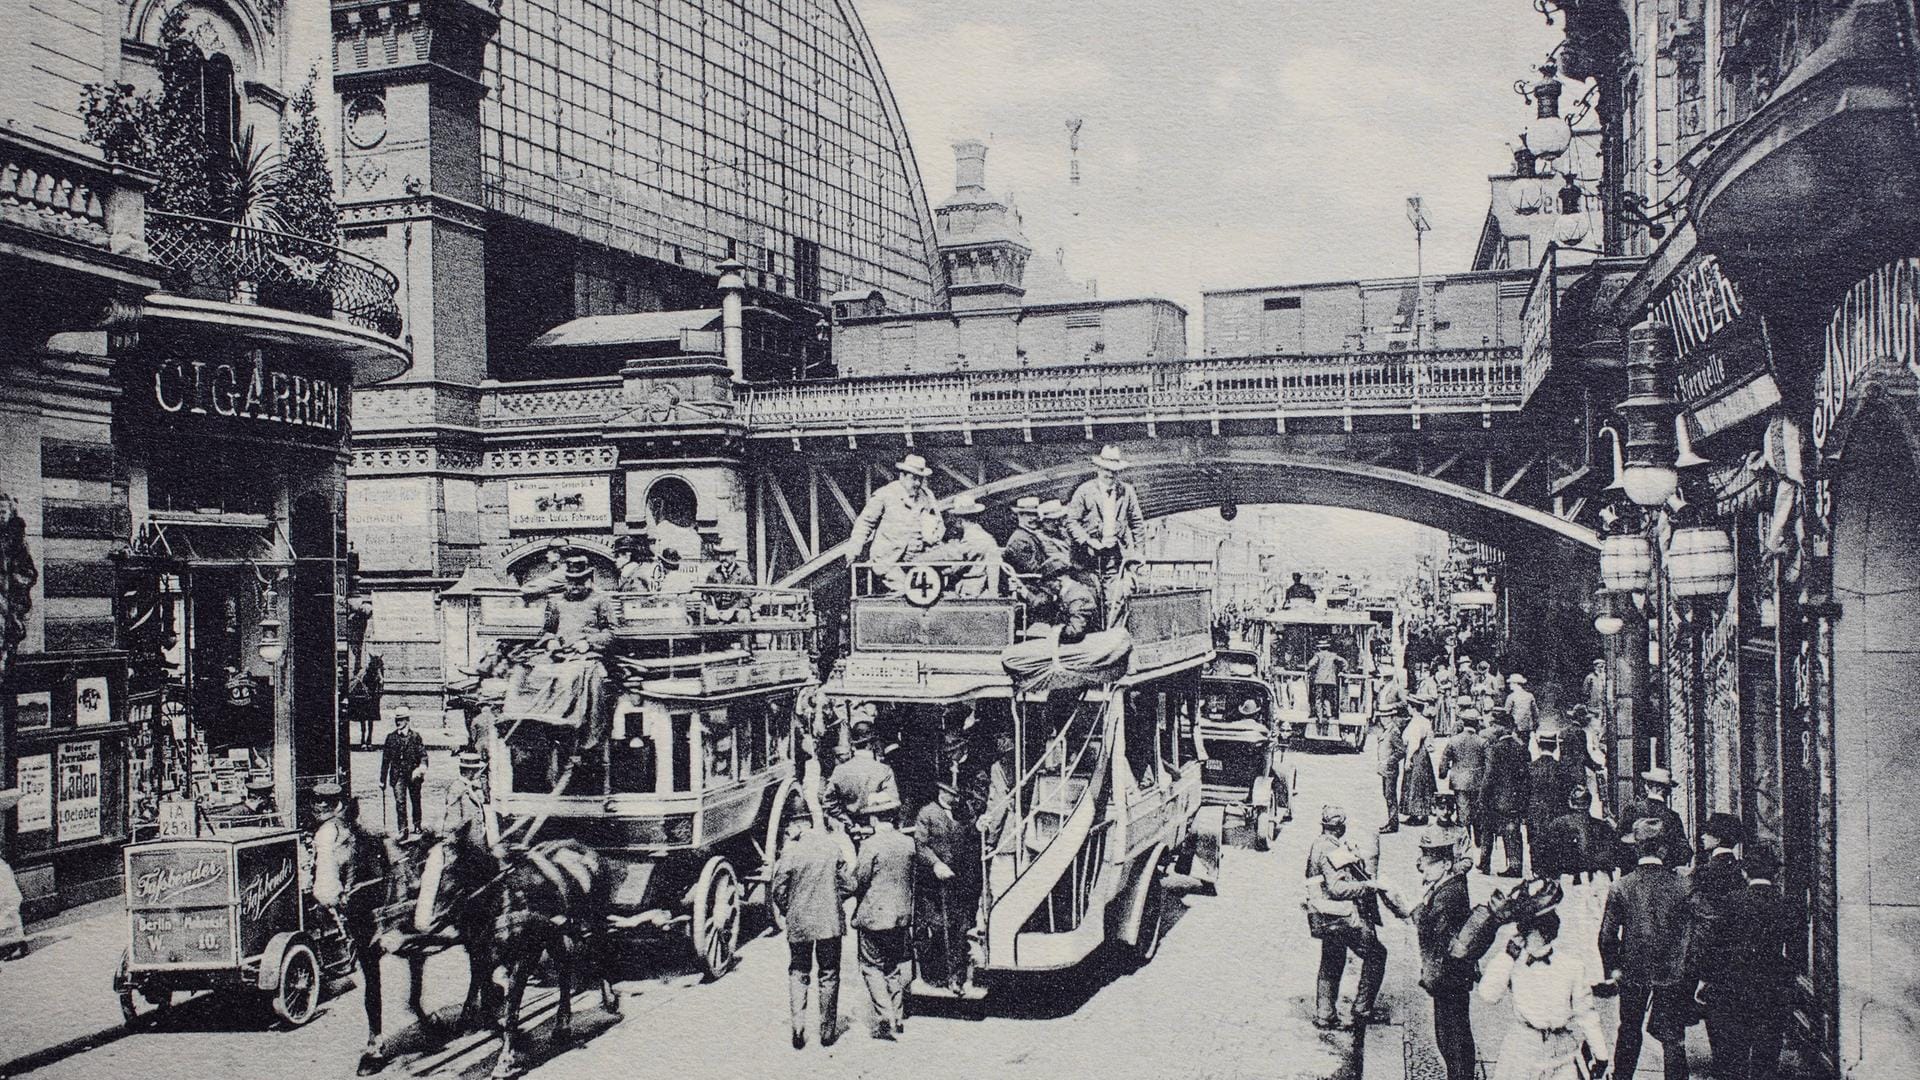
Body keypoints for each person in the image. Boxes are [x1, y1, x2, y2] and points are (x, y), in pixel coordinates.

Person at [310, 781, 394, 1074]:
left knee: (372, 976)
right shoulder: (327, 833)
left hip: (371, 906)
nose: (321, 809)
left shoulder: (354, 833)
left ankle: (376, 1042)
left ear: (339, 807)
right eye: (318, 805)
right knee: (369, 973)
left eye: (328, 805)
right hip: (350, 906)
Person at [1600, 816, 1693, 1080]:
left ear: (1636, 848)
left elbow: (1607, 936)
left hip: (1633, 970)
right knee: (1673, 1035)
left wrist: (1614, 968)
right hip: (1673, 971)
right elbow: (1692, 931)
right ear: (1663, 849)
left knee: (1629, 1028)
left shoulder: (1621, 886)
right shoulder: (1682, 884)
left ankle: (1622, 1077)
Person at [1478, 905, 1611, 1080]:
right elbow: (1488, 994)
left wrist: (1601, 1055)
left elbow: (1586, 1014)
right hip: (1521, 1049)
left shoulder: (1571, 967)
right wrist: (1506, 957)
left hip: (1560, 1051)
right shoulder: (1513, 963)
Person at [1686, 813, 1758, 1080]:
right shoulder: (1740, 872)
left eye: (1707, 832)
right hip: (1739, 955)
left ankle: (1723, 1069)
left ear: (1717, 838)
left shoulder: (1704, 872)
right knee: (1736, 1016)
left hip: (1712, 955)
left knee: (1717, 1017)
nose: (1702, 836)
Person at [772, 807, 851, 1049]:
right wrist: (835, 900)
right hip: (829, 923)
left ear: (797, 825)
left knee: (798, 971)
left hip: (799, 923)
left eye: (789, 827)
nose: (788, 832)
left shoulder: (790, 851)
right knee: (829, 973)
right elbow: (849, 884)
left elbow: (778, 891)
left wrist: (790, 910)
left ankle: (798, 1028)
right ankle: (827, 1033)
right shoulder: (831, 847)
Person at [1305, 805, 1388, 1029]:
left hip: (1324, 914)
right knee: (1377, 954)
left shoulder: (1319, 844)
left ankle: (1325, 1014)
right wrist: (1365, 886)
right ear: (1340, 827)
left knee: (1332, 960)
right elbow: (1337, 888)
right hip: (1341, 915)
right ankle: (1362, 1009)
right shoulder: (1330, 850)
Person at [844, 788, 916, 1040]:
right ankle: (897, 1016)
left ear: (873, 819)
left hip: (873, 918)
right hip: (900, 916)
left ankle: (884, 1015)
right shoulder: (908, 843)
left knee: (871, 967)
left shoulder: (869, 845)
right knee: (894, 967)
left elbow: (859, 880)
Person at [1409, 825, 1477, 1080]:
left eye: (1428, 863)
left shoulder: (1449, 894)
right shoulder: (1444, 886)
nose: (1421, 868)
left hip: (1450, 976)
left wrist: (1415, 912)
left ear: (1446, 864)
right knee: (1449, 1035)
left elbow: (1435, 934)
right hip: (1449, 976)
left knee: (1452, 1038)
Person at [1064, 446, 1145, 627]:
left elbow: (1137, 524)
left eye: (1115, 471)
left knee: (1115, 598)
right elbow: (1071, 522)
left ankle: (1112, 638)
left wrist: (1138, 552)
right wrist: (1088, 540)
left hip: (1115, 557)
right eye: (1107, 470)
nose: (1110, 475)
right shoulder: (1084, 491)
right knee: (1090, 599)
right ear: (1099, 469)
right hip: (1087, 558)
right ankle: (1090, 640)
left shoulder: (1127, 492)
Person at [847, 454, 943, 593]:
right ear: (902, 476)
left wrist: (935, 537)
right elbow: (865, 523)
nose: (917, 483)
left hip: (918, 559)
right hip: (889, 560)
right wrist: (854, 548)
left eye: (920, 479)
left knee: (931, 590)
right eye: (913, 478)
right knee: (908, 592)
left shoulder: (927, 496)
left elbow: (938, 523)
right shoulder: (885, 494)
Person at [1739, 842, 1792, 1080]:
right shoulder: (1785, 904)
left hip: (1741, 977)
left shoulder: (1736, 901)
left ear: (1745, 871)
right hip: (1775, 976)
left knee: (1740, 1038)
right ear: (1774, 872)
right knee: (1770, 1039)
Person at [910, 779, 969, 993]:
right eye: (953, 794)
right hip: (934, 885)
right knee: (938, 927)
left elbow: (968, 835)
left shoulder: (961, 812)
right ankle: (939, 975)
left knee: (959, 928)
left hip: (957, 880)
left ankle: (957, 977)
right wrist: (935, 863)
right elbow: (920, 845)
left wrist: (978, 827)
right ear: (943, 793)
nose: (957, 798)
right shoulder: (927, 813)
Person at [824, 718, 899, 836]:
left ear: (853, 745)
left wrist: (848, 822)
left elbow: (829, 803)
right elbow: (894, 802)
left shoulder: (839, 771)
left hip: (851, 831)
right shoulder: (884, 770)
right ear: (871, 745)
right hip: (878, 831)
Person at [1482, 714, 1530, 877]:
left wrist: (1483, 797)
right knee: (1513, 831)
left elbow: (1489, 776)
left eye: (1495, 725)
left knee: (1488, 829)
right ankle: (1515, 866)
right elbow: (1526, 776)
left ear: (1504, 727)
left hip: (1497, 799)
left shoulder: (1495, 749)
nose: (1493, 729)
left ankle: (1484, 863)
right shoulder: (1522, 747)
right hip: (1516, 799)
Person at [1618, 767, 1690, 871]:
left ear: (1649, 787)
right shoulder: (1673, 817)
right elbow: (1685, 852)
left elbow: (1617, 845)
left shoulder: (1631, 810)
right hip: (1663, 877)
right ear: (1667, 791)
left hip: (1632, 877)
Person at [934, 495, 1001, 599]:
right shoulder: (984, 536)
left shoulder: (972, 538)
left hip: (971, 591)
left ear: (960, 520)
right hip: (980, 589)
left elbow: (956, 565)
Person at [1439, 717, 1488, 854]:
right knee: (1477, 809)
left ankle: (1465, 840)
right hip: (1478, 782)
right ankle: (1479, 839)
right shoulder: (1482, 742)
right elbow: (1488, 762)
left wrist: (1442, 773)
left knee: (1462, 810)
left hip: (1459, 781)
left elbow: (1445, 759)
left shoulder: (1454, 740)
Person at [380, 709, 428, 836]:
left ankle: (417, 825)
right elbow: (385, 760)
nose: (398, 722)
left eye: (401, 719)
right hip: (397, 775)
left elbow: (423, 755)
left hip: (413, 775)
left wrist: (421, 767)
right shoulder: (390, 738)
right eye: (397, 719)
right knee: (400, 802)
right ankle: (403, 829)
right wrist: (382, 780)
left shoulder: (415, 736)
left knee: (415, 800)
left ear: (407, 720)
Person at [1399, 696, 1437, 825]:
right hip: (1424, 755)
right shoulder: (1425, 721)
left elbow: (1414, 743)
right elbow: (1430, 742)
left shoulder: (1416, 723)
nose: (1408, 709)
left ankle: (1415, 814)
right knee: (1424, 784)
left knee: (1414, 785)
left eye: (1410, 707)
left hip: (1416, 754)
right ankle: (1423, 813)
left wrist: (1408, 759)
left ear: (1414, 708)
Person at [702, 541, 754, 622]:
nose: (723, 558)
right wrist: (711, 607)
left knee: (744, 614)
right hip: (717, 611)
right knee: (707, 615)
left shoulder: (744, 574)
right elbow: (706, 595)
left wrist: (732, 610)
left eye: (727, 554)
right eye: (721, 554)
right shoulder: (713, 573)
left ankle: (744, 634)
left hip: (736, 610)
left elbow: (746, 598)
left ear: (734, 556)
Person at [1376, 701, 1407, 834]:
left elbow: (1401, 751)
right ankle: (1391, 821)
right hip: (1385, 770)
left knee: (1390, 797)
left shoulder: (1393, 731)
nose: (1382, 719)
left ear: (1389, 717)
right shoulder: (1388, 730)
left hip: (1390, 770)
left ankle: (1393, 824)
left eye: (1384, 717)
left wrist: (1390, 761)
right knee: (1387, 796)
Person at [1001, 497, 1046, 582]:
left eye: (1035, 514)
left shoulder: (1028, 535)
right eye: (1029, 515)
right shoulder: (1019, 540)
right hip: (1030, 586)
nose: (1033, 518)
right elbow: (1033, 570)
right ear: (1019, 515)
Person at [347, 655, 385, 750]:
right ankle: (363, 741)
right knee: (363, 721)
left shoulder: (378, 673)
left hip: (372, 698)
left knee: (371, 721)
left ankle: (369, 741)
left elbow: (380, 681)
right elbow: (358, 680)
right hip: (364, 699)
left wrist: (379, 689)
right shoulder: (364, 673)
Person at [442, 750, 487, 829]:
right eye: (478, 770)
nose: (480, 774)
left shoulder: (472, 787)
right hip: (464, 838)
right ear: (470, 772)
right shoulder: (457, 787)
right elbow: (452, 820)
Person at [1307, 638, 1345, 723]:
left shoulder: (1318, 655)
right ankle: (1329, 715)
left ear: (1320, 648)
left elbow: (1310, 664)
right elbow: (1343, 662)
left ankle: (1320, 717)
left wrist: (1308, 668)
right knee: (1328, 698)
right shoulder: (1333, 655)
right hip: (1330, 680)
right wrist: (1342, 670)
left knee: (1318, 698)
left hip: (1320, 680)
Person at [1504, 674, 1537, 741]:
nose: (1509, 685)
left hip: (1515, 728)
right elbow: (1535, 712)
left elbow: (1506, 713)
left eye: (1511, 683)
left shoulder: (1511, 697)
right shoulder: (1529, 696)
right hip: (1528, 727)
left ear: (1515, 684)